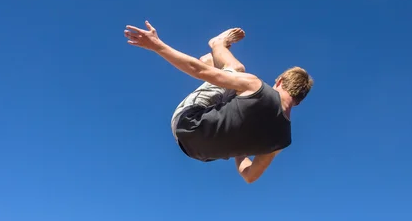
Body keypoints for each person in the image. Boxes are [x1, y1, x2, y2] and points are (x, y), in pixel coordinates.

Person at [124, 21, 313, 183]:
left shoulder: (257, 86)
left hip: (187, 121)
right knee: (236, 92)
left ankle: (217, 45)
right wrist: (242, 149)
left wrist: (157, 45)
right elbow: (249, 176)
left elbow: (199, 71)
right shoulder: (282, 141)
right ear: (299, 101)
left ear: (279, 81)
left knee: (236, 68)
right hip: (195, 152)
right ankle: (213, 60)